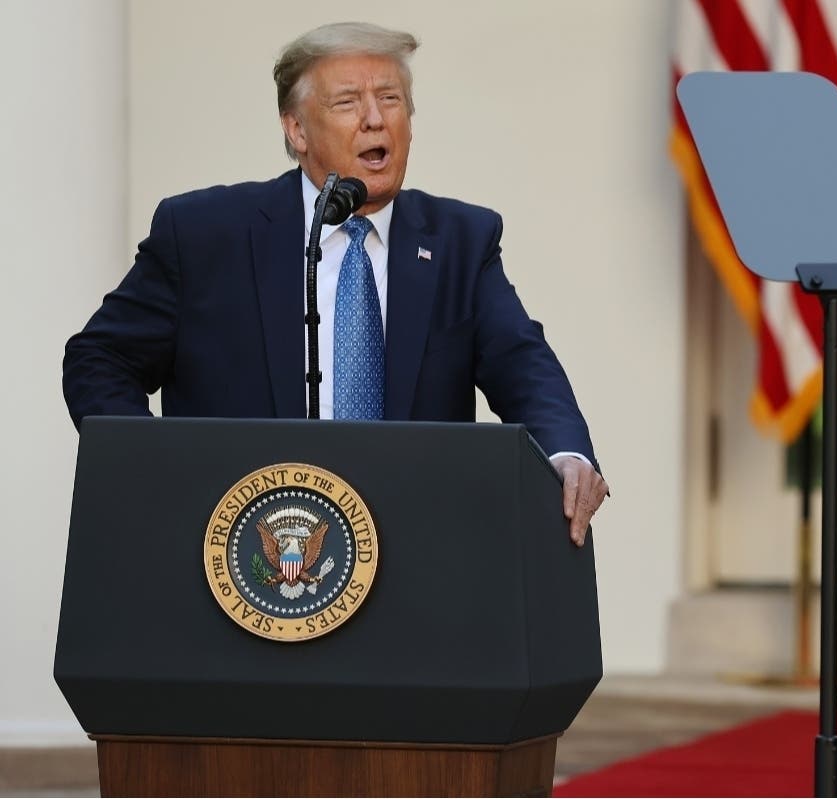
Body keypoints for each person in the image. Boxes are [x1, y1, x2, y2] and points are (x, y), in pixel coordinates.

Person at [62, 21, 608, 545]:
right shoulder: (204, 234)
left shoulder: (460, 242)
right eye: (347, 103)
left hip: (412, 557)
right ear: (296, 130)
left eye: (390, 99)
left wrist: (566, 456)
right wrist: (154, 466)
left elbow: (523, 364)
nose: (375, 119)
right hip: (241, 553)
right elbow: (99, 358)